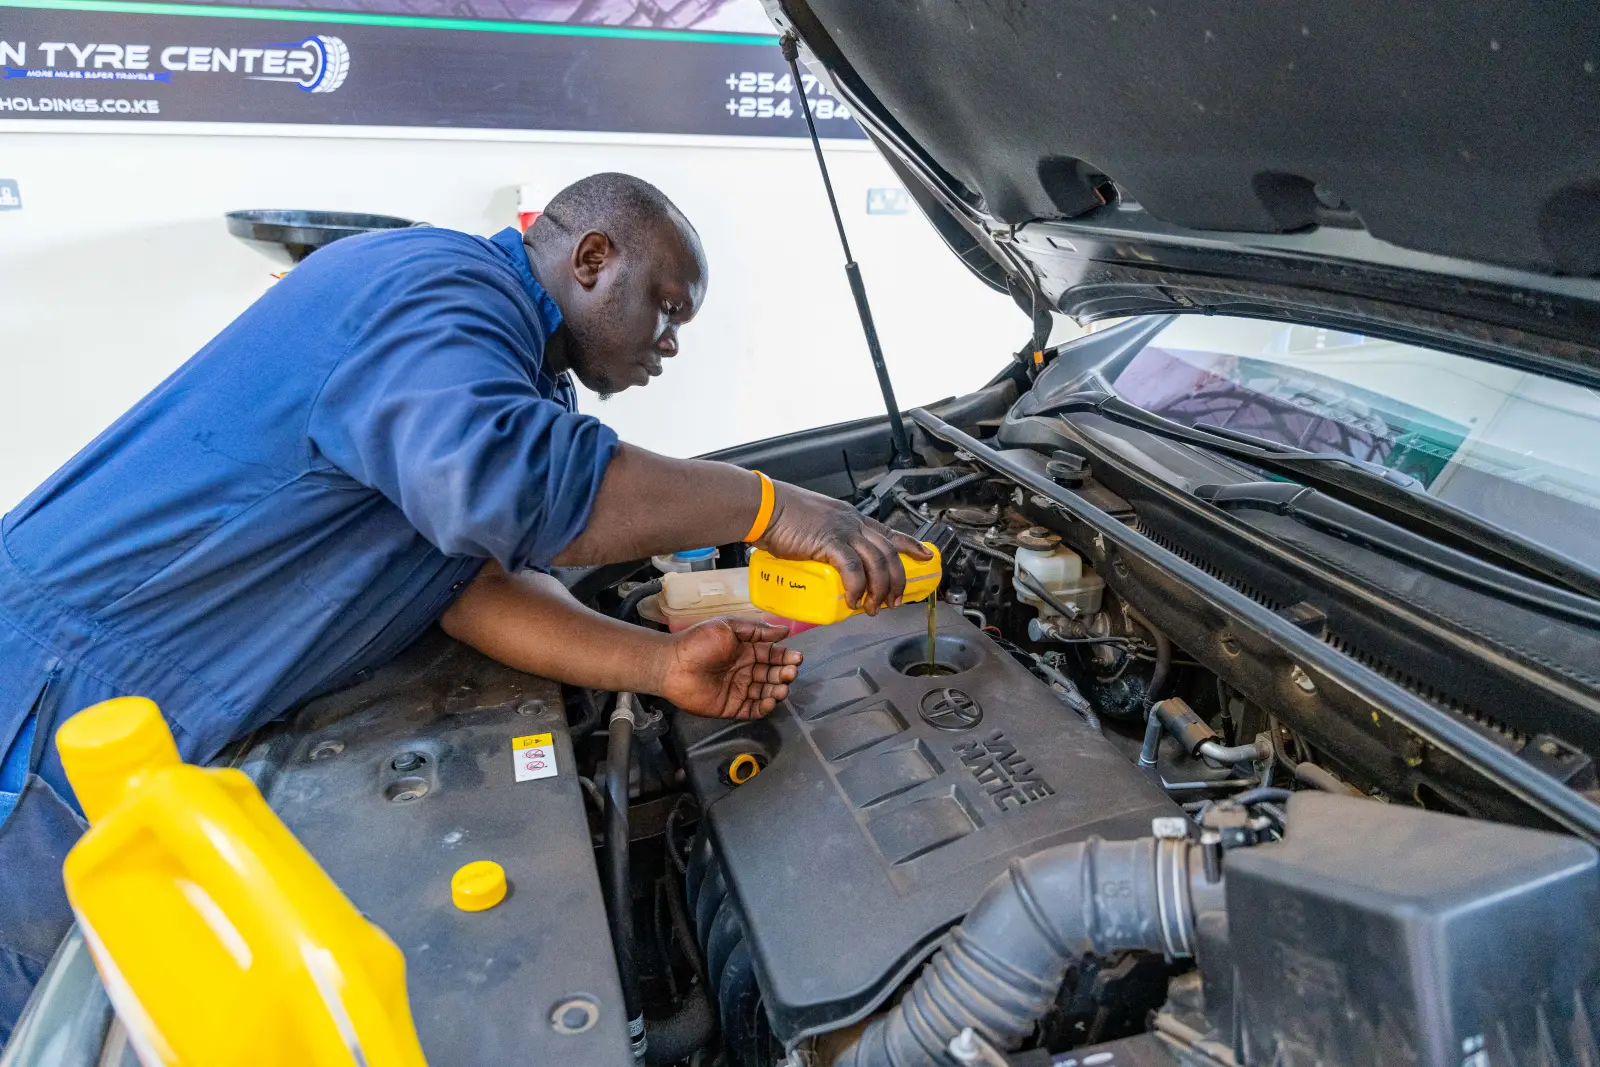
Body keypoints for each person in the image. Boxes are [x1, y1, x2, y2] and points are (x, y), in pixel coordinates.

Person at [0, 172, 928, 1038]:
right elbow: (505, 487)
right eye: (668, 308)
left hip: (144, 711)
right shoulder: (440, 292)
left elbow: (469, 584)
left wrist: (654, 664)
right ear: (593, 258)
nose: (671, 343)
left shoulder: (505, 359)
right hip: (52, 701)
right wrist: (771, 505)